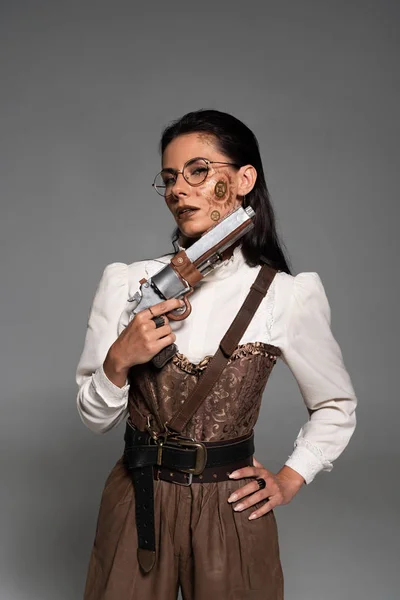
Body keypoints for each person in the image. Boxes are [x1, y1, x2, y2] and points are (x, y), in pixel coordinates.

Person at [76, 109, 357, 600]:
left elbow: (336, 405)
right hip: (137, 498)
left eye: (198, 171)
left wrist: (292, 478)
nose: (178, 190)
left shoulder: (286, 295)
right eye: (168, 178)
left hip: (230, 505)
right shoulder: (126, 283)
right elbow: (94, 418)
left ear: (244, 179)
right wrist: (120, 358)